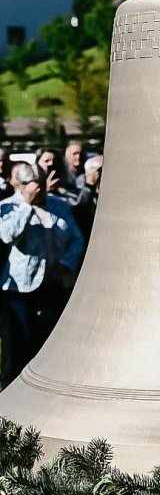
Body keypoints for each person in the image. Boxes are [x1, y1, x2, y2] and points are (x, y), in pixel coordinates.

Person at [0, 161, 84, 385]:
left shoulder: (59, 205)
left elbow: (77, 238)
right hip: (21, 288)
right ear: (19, 184)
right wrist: (27, 205)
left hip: (54, 285)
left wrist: (66, 265)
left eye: (40, 182)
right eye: (32, 183)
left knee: (48, 345)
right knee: (18, 347)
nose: (38, 188)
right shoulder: (8, 208)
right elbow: (8, 235)